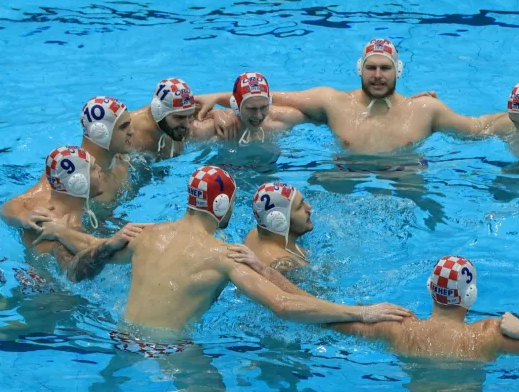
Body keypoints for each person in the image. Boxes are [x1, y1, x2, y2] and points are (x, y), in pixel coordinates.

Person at [57, 166, 412, 338]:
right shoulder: (226, 255)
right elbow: (283, 306)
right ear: (223, 205)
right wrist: (361, 312)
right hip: (169, 350)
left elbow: (75, 272)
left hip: (120, 337)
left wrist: (105, 245)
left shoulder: (144, 234)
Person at [228, 253, 519, 361]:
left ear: (429, 291)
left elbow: (319, 312)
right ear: (470, 296)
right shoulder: (486, 336)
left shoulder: (397, 328)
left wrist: (267, 274)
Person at [200, 39, 494, 155]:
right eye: (371, 67)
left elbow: (478, 128)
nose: (378, 75)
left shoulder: (425, 109)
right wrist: (220, 100)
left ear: (398, 72)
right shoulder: (333, 102)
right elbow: (272, 97)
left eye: (385, 68)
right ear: (360, 70)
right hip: (345, 177)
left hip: (404, 180)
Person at [0, 145, 142, 276]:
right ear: (78, 183)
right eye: (93, 168)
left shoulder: (54, 193)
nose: (99, 169)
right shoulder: (51, 227)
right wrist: (108, 245)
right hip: (49, 298)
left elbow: (8, 206)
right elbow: (74, 273)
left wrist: (22, 215)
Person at [196, 72, 315, 146]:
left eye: (263, 107)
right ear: (236, 106)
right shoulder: (222, 128)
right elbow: (181, 119)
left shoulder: (280, 120)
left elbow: (319, 115)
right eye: (251, 109)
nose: (258, 116)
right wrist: (215, 113)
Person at [244, 182, 313, 272]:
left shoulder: (253, 234)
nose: (309, 207)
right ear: (278, 220)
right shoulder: (284, 265)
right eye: (299, 207)